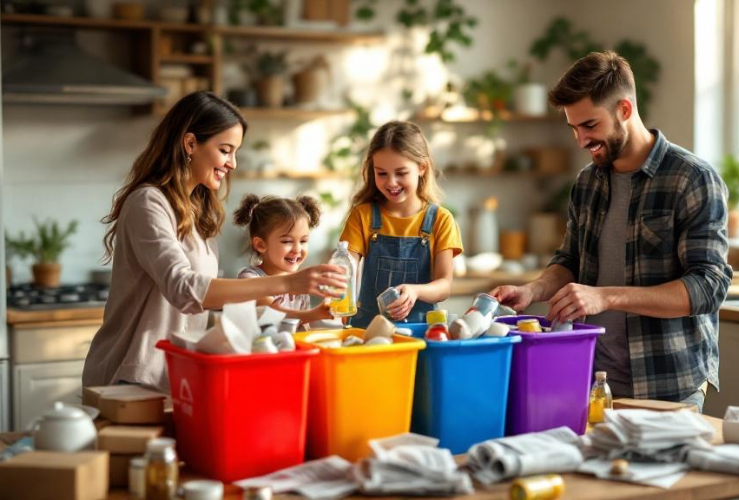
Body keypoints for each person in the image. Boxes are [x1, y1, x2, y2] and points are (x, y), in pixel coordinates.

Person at [492, 51, 732, 410]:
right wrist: (532, 290)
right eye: (574, 128)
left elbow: (708, 288)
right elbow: (569, 260)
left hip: (668, 385)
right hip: (592, 381)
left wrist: (605, 297)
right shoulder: (587, 182)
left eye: (590, 125)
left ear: (624, 109)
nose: (581, 140)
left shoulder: (691, 178)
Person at [83, 91, 346, 391]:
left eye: (235, 152)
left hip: (176, 374)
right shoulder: (148, 202)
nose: (232, 163)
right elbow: (185, 289)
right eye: (225, 150)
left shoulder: (198, 212)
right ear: (190, 144)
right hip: (130, 375)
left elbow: (200, 303)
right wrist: (288, 283)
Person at [339, 121, 463, 327]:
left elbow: (444, 286)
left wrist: (416, 291)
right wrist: (337, 284)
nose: (391, 182)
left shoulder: (441, 220)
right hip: (368, 331)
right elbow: (345, 268)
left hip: (420, 333)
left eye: (401, 173)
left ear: (422, 168)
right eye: (382, 173)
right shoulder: (362, 216)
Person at [233, 193, 333, 329]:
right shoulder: (249, 279)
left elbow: (303, 330)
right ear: (261, 244)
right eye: (287, 241)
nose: (297, 249)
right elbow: (273, 315)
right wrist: (314, 314)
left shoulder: (301, 284)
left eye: (303, 241)